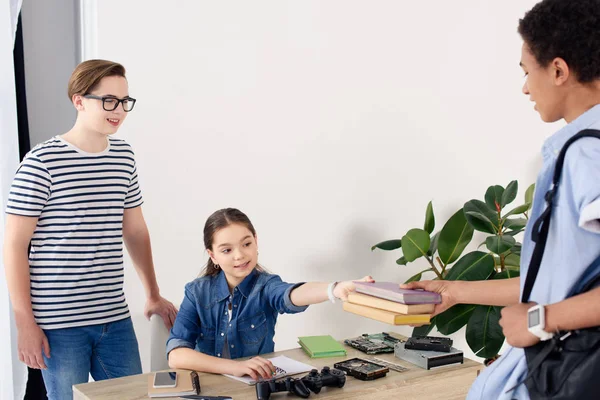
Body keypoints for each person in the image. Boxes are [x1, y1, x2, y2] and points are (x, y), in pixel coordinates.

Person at [402, 0, 600, 398]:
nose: (525, 86)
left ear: (558, 70)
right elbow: (557, 281)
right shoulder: (578, 149)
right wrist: (454, 291)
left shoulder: (587, 153)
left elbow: (549, 305)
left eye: (528, 71)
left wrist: (543, 319)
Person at [3, 59, 178, 399]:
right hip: (58, 323)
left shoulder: (123, 157)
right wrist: (25, 322)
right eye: (108, 100)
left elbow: (136, 231)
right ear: (79, 100)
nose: (119, 110)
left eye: (125, 101)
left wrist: (152, 294)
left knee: (134, 396)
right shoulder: (41, 162)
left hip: (113, 315)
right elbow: (13, 245)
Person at [167, 208, 373, 381]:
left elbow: (291, 294)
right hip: (211, 389)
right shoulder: (196, 292)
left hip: (257, 386)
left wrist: (333, 289)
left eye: (246, 244)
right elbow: (176, 355)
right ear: (213, 255)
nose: (239, 255)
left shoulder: (266, 285)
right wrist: (233, 367)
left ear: (256, 241)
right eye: (227, 250)